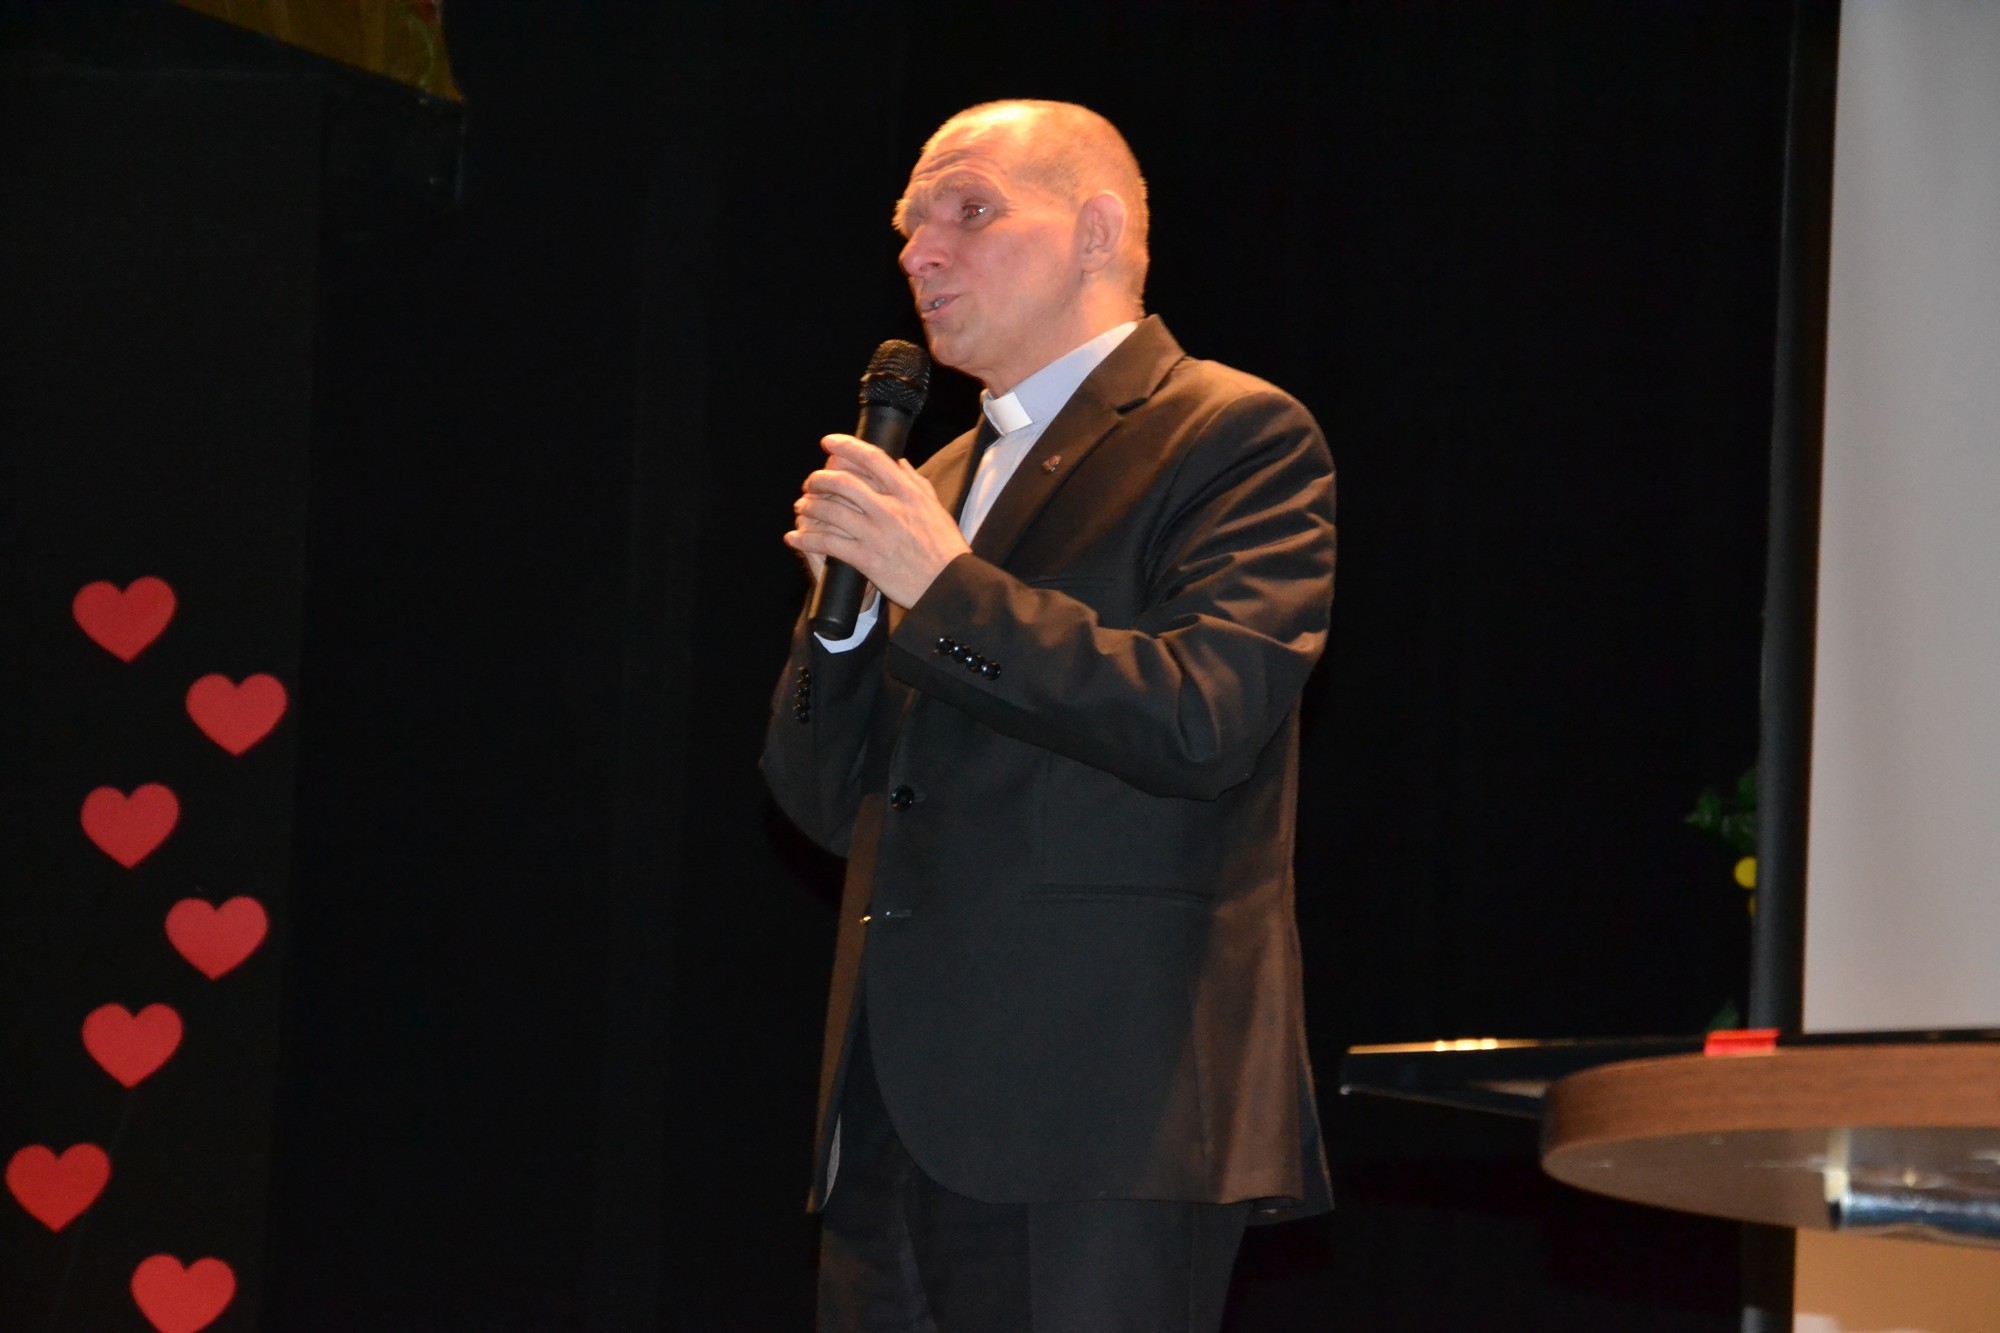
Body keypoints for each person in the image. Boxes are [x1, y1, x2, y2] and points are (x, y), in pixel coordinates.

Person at [762, 99, 1335, 1332]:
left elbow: (1201, 718)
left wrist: (941, 588)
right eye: (908, 227)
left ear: (1095, 231)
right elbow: (821, 803)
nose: (919, 252)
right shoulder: (935, 480)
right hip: (885, 1119)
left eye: (966, 211)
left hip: (1102, 1114)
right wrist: (841, 623)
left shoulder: (1230, 433)